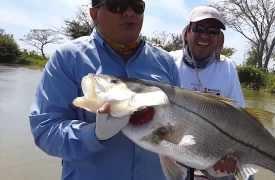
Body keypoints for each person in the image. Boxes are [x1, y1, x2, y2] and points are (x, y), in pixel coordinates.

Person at [29, 0, 180, 180]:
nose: (130, 13)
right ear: (94, 14)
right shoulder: (67, 58)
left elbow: (179, 127)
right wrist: (94, 134)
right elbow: (45, 130)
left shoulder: (166, 62)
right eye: (118, 5)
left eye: (138, 7)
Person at [169, 5, 251, 180]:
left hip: (216, 151)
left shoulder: (227, 66)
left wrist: (233, 154)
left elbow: (240, 116)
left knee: (246, 176)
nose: (205, 36)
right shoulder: (169, 61)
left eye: (213, 31)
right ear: (186, 33)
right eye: (199, 29)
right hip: (174, 149)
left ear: (219, 38)